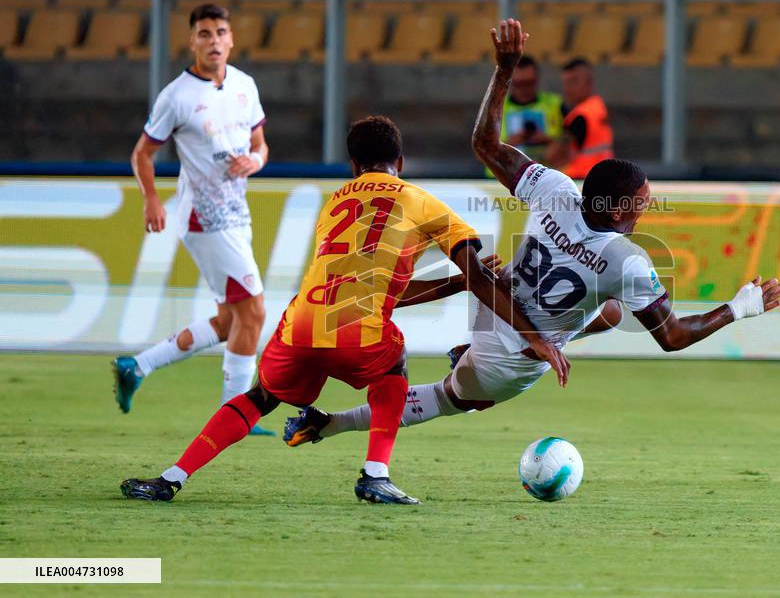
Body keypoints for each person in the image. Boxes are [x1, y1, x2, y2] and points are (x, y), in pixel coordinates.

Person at [282, 19, 780, 448]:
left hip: (496, 300)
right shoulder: (627, 260)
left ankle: (483, 349)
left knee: (611, 311)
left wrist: (504, 70)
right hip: (514, 354)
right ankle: (329, 423)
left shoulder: (556, 189)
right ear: (618, 210)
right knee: (451, 397)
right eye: (643, 200)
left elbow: (485, 143)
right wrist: (739, 308)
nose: (648, 204)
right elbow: (673, 337)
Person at [120, 115, 569, 505]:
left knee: (260, 397)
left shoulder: (334, 203)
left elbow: (375, 290)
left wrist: (454, 283)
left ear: (353, 165)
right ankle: (376, 474)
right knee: (394, 361)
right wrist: (529, 333)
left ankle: (170, 478)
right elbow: (479, 278)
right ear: (401, 162)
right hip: (357, 332)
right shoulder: (421, 202)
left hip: (300, 324)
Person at [112, 3, 272, 435]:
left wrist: (255, 161)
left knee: (230, 321)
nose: (213, 40)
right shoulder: (177, 96)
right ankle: (236, 413)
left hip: (237, 214)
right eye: (204, 34)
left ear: (231, 39)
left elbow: (260, 144)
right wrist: (151, 200)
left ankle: (137, 366)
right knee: (254, 312)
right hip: (204, 217)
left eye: (220, 32)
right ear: (192, 42)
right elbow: (142, 154)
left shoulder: (244, 85)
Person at [546, 57, 614, 180]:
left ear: (589, 82)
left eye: (573, 82)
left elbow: (553, 156)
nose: (568, 89)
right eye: (566, 83)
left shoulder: (580, 116)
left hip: (580, 179)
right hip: (601, 177)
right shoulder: (598, 107)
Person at [499, 55, 563, 163]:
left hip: (547, 170)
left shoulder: (556, 104)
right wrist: (510, 143)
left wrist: (548, 141)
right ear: (510, 82)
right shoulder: (496, 108)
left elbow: (572, 145)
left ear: (537, 79)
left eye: (529, 83)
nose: (524, 88)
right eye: (519, 84)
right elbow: (481, 151)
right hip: (503, 172)